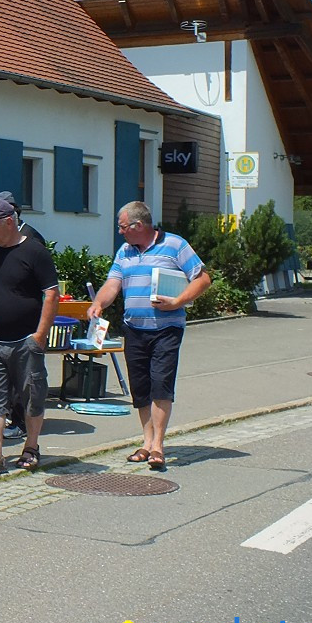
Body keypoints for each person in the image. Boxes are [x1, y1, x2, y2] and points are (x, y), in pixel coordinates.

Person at [88, 201, 210, 470]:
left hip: (167, 329)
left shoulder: (175, 245)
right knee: (140, 388)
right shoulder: (125, 251)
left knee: (161, 385)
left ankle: (158, 446)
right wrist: (99, 303)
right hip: (134, 329)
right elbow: (113, 282)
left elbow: (202, 279)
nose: (119, 232)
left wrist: (178, 301)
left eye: (122, 227)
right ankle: (146, 442)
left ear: (138, 225)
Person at [0, 197, 59, 476]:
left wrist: (40, 336)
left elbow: (51, 294)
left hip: (26, 340)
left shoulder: (35, 251)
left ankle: (31, 447)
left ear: (8, 222)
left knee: (32, 395)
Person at [0, 191, 46, 441]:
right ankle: (2, 439)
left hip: (26, 333)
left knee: (27, 385)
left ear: (11, 214)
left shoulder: (32, 239)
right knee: (1, 387)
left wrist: (40, 334)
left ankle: (23, 427)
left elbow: (47, 292)